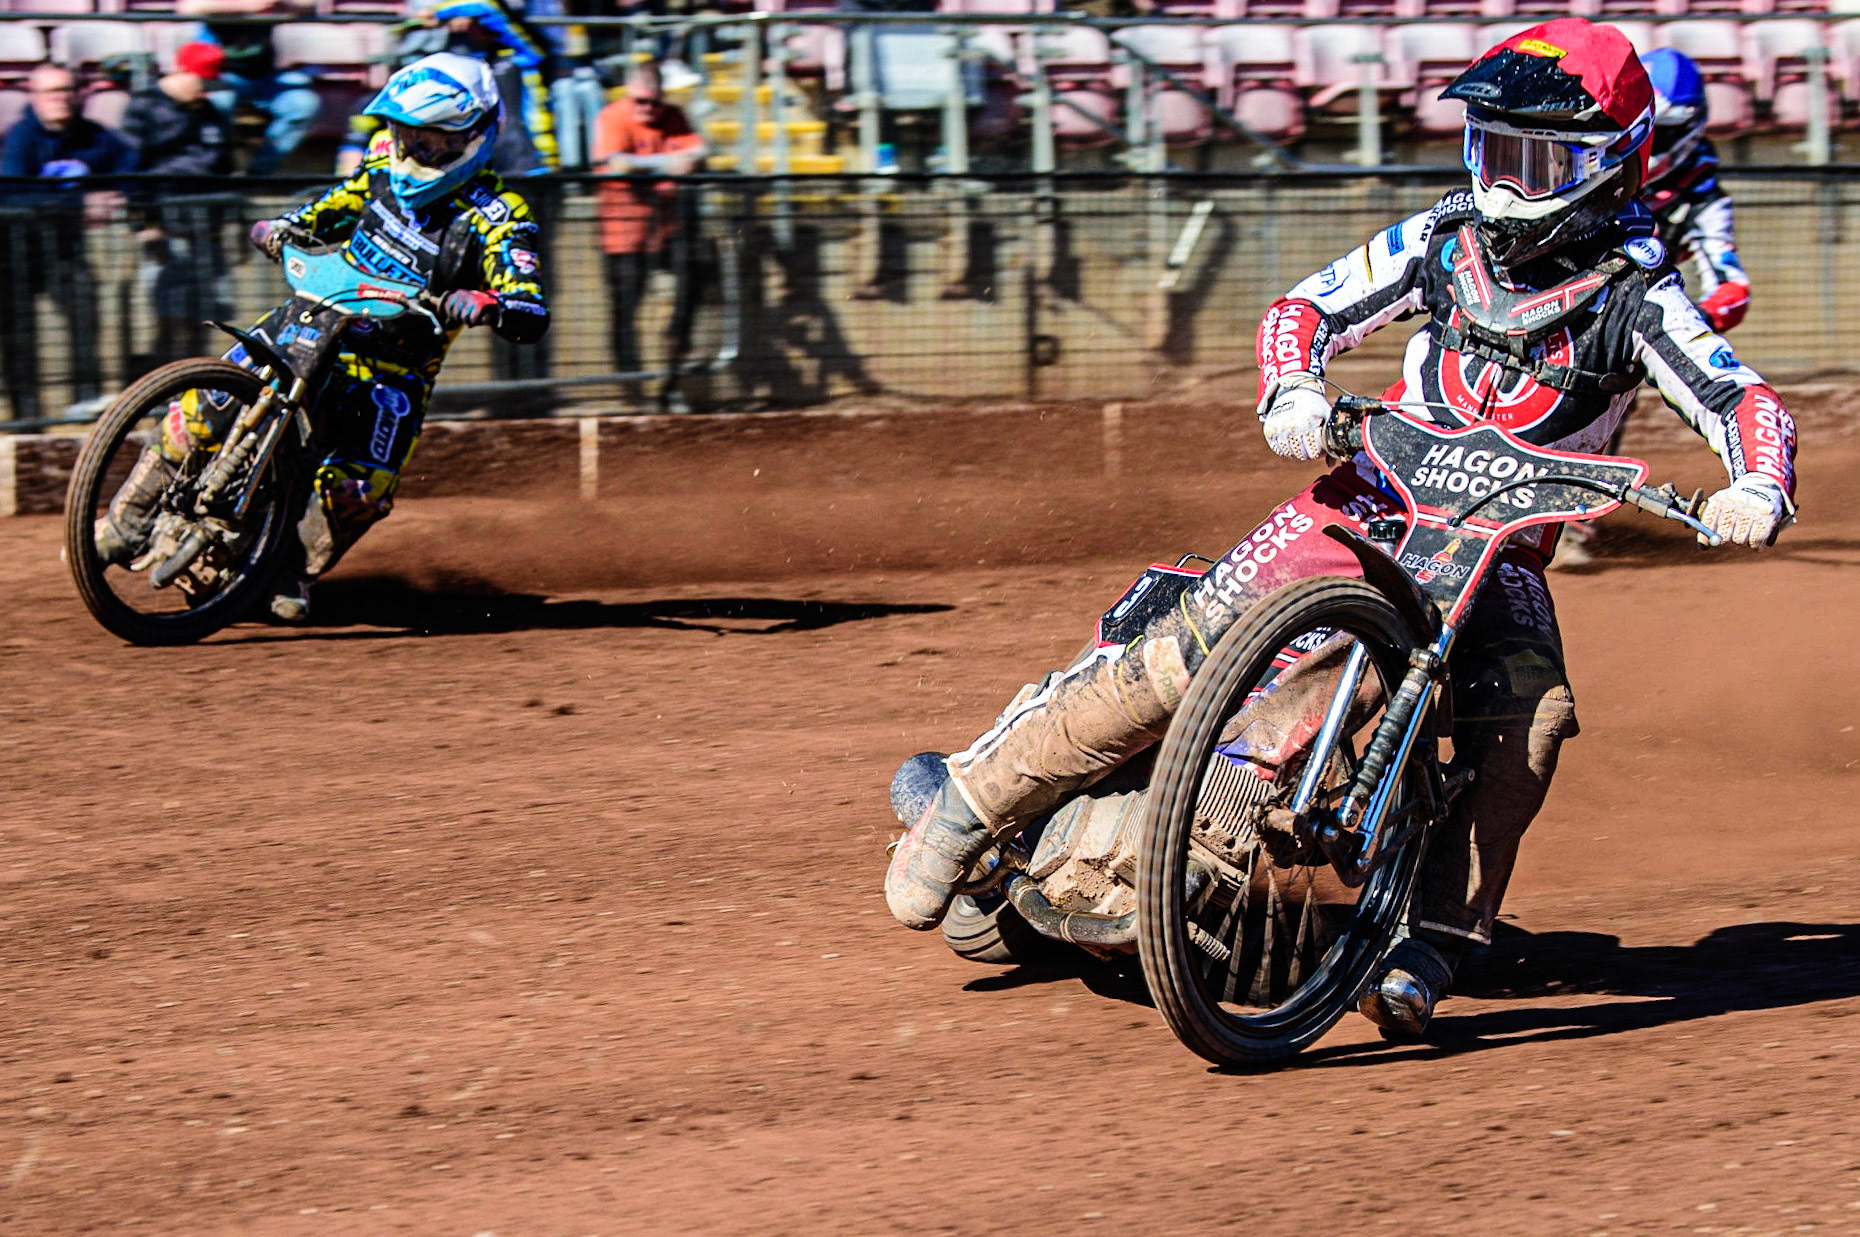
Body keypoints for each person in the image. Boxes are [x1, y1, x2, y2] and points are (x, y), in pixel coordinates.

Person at [883, 19, 1798, 1039]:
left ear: (1605, 167)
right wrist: (1294, 392)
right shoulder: (1443, 239)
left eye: (1535, 159)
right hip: (1367, 498)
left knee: (1528, 722)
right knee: (1174, 656)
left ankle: (1432, 938)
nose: (1505, 182)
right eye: (1492, 149)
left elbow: (1744, 398)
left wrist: (1754, 486)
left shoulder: (1642, 295)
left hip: (1499, 551)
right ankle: (971, 802)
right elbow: (1302, 308)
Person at [93, 53, 550, 622]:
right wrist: (290, 225)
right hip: (312, 315)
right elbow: (340, 204)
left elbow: (530, 307)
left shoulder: (500, 216)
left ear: (474, 138)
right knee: (203, 405)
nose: (414, 153)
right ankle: (126, 520)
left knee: (362, 489)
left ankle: (285, 567)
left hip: (392, 366)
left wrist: (489, 303)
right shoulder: (383, 161)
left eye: (431, 142)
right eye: (407, 136)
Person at [0, 64, 132, 421]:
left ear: (80, 95)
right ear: (35, 97)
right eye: (52, 92)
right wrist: (79, 204)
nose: (61, 99)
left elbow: (131, 164)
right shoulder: (22, 138)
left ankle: (84, 399)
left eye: (67, 90)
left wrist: (117, 194)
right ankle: (26, 417)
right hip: (14, 254)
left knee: (84, 311)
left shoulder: (94, 137)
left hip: (62, 250)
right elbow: (14, 194)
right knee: (19, 336)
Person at [594, 60, 706, 405]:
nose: (648, 109)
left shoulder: (673, 116)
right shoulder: (614, 117)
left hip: (667, 226)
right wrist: (666, 164)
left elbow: (698, 153)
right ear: (630, 96)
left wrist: (651, 164)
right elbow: (616, 162)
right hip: (624, 230)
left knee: (694, 279)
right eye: (640, 101)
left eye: (653, 101)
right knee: (626, 307)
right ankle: (631, 390)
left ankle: (671, 379)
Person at [122, 40, 235, 368]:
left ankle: (193, 384)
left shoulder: (209, 113)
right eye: (202, 83)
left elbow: (224, 167)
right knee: (171, 314)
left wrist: (234, 222)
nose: (205, 93)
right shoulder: (144, 108)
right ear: (183, 73)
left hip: (207, 232)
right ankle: (163, 386)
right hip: (168, 230)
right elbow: (131, 173)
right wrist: (145, 225)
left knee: (206, 316)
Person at [1641, 49, 1749, 335]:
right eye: (1639, 132)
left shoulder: (1701, 198)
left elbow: (1732, 289)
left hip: (1623, 318)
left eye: (1657, 134)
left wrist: (1686, 327)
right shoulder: (1588, 160)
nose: (1644, 146)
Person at [176, 0, 321, 176]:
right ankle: (217, 171)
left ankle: (259, 173)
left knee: (303, 104)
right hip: (220, 74)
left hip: (265, 76)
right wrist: (249, 5)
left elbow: (309, 5)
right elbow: (189, 7)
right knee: (217, 103)